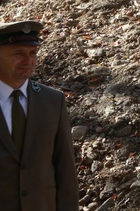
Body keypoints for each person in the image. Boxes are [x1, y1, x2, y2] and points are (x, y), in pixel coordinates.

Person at [0, 20, 79, 210]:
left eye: (33, 53)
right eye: (18, 53)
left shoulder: (53, 101)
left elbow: (65, 170)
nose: (28, 61)